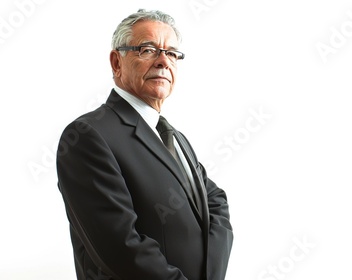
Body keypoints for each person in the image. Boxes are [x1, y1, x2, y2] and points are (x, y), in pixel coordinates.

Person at [56, 9, 233, 280]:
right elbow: (121, 249)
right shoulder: (88, 136)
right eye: (148, 49)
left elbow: (215, 201)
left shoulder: (175, 137)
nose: (163, 61)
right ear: (117, 62)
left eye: (172, 53)